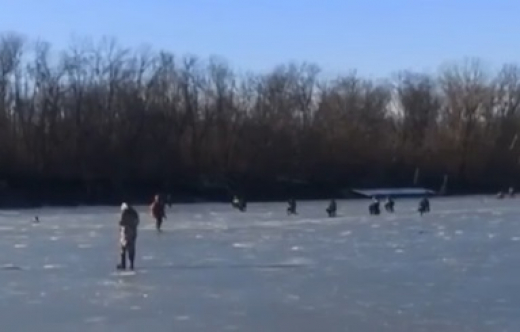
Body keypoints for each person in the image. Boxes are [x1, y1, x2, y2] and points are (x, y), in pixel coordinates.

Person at [118, 202, 139, 270]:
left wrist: (121, 224)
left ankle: (123, 264)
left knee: (123, 248)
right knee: (131, 248)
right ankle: (131, 264)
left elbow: (122, 222)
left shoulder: (124, 213)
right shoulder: (134, 212)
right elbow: (137, 221)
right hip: (133, 232)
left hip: (126, 232)